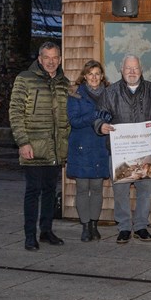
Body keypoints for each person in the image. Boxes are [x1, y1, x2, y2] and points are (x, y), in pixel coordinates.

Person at [94, 55, 151, 244]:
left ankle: (141, 226)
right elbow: (99, 115)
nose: (132, 72)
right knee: (120, 191)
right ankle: (124, 227)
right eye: (128, 68)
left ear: (141, 69)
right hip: (121, 150)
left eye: (135, 68)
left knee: (145, 190)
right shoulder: (110, 92)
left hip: (146, 149)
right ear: (122, 70)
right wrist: (101, 125)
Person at [9, 42, 70, 251]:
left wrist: (66, 141)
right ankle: (29, 235)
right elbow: (15, 112)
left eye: (55, 57)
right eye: (47, 57)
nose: (51, 61)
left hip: (55, 147)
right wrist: (23, 142)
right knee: (33, 190)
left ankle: (46, 231)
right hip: (33, 146)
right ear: (40, 58)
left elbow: (67, 117)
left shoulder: (64, 83)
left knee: (50, 191)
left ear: (60, 59)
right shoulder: (24, 79)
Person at [66, 60, 110, 242]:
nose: (94, 77)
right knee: (83, 188)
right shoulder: (76, 95)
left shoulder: (109, 95)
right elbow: (74, 121)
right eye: (90, 74)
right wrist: (93, 115)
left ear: (102, 76)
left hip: (100, 145)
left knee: (98, 188)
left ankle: (94, 224)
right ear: (84, 76)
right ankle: (85, 226)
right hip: (82, 146)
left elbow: (113, 115)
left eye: (97, 74)